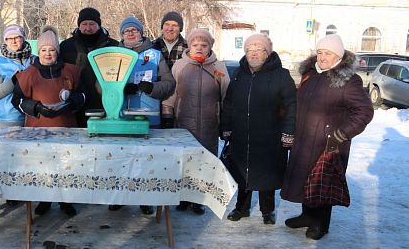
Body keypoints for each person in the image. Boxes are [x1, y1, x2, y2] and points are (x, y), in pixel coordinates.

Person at [281, 34, 373, 240]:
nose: (322, 57)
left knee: (323, 183)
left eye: (328, 53)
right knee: (306, 180)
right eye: (320, 52)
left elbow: (364, 112)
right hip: (305, 138)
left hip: (329, 143)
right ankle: (306, 216)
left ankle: (320, 223)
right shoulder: (310, 75)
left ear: (338, 56)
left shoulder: (349, 81)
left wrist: (341, 134)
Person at [221, 33, 296, 225]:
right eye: (249, 50)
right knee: (242, 171)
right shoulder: (239, 74)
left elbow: (291, 106)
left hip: (270, 135)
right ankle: (241, 208)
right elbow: (228, 103)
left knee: (266, 173)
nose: (253, 54)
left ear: (267, 53)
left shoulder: (281, 75)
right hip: (242, 134)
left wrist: (288, 133)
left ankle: (267, 210)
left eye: (258, 49)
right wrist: (226, 127)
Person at [11, 30, 86, 217]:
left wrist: (71, 103)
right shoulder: (28, 74)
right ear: (39, 51)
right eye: (43, 49)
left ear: (57, 51)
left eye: (51, 49)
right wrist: (36, 108)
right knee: (43, 166)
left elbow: (84, 95)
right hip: (39, 130)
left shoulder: (71, 71)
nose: (47, 54)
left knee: (66, 166)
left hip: (66, 128)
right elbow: (17, 100)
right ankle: (44, 200)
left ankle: (65, 201)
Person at [109, 16, 176, 215]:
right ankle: (119, 196)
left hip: (148, 115)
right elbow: (100, 84)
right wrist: (118, 88)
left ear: (140, 32)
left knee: (146, 159)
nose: (130, 33)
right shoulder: (113, 55)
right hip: (121, 114)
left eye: (134, 30)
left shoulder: (154, 55)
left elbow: (169, 83)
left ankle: (145, 198)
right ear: (121, 34)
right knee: (121, 159)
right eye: (126, 30)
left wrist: (153, 87)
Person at [162, 28, 229, 215]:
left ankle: (199, 199)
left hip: (209, 124)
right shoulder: (180, 66)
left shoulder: (219, 68)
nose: (199, 48)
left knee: (205, 162)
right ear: (189, 46)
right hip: (184, 123)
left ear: (210, 47)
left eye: (204, 45)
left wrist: (225, 122)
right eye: (195, 45)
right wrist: (167, 114)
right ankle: (183, 198)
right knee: (184, 162)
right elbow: (171, 93)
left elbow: (226, 96)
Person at [59, 7, 119, 127]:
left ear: (99, 25)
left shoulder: (113, 46)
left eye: (92, 24)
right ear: (79, 25)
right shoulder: (66, 46)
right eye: (84, 24)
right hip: (76, 103)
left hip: (104, 103)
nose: (88, 28)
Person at [0, 24, 35, 129]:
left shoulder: (35, 60)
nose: (13, 41)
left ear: (23, 38)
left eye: (17, 37)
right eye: (9, 38)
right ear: (5, 40)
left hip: (34, 116)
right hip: (9, 118)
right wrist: (12, 81)